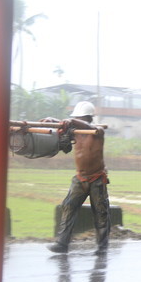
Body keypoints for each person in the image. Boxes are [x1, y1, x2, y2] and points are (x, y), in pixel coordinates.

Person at [46, 101, 111, 255]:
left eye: (78, 118)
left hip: (96, 178)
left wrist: (72, 122)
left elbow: (90, 127)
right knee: (68, 206)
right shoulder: (74, 132)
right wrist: (52, 120)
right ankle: (62, 243)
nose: (75, 120)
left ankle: (102, 246)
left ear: (87, 117)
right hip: (80, 178)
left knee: (101, 211)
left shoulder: (97, 130)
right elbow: (64, 127)